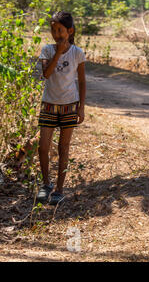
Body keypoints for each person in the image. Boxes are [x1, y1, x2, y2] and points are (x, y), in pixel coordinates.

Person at [36, 11, 86, 205]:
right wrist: (57, 53)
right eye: (53, 30)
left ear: (70, 31)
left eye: (60, 30)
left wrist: (81, 108)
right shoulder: (47, 50)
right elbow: (46, 74)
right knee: (43, 146)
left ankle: (59, 189)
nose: (56, 34)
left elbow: (82, 81)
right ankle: (46, 183)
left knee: (63, 147)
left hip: (69, 106)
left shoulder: (77, 53)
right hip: (49, 104)